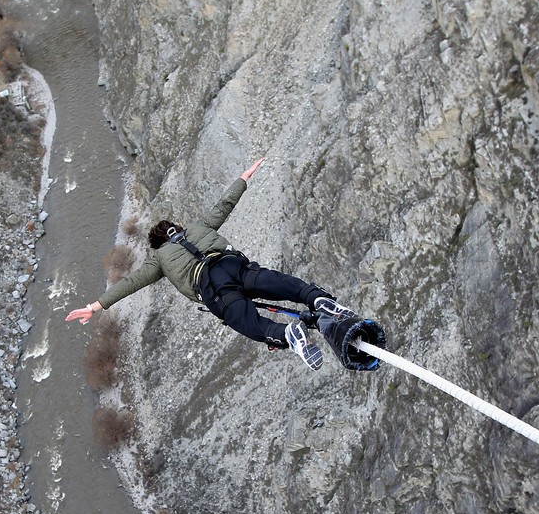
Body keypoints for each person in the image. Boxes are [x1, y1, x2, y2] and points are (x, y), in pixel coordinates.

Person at [65, 158, 356, 371]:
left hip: (213, 287)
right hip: (235, 265)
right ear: (178, 228)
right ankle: (316, 298)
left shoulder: (160, 259)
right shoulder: (200, 226)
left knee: (245, 321)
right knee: (280, 283)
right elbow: (224, 205)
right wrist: (244, 177)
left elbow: (132, 282)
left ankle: (286, 334)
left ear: (157, 244)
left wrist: (95, 306)